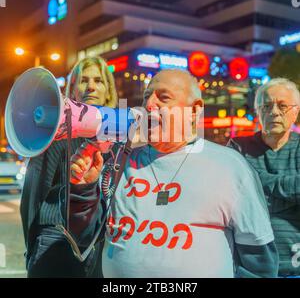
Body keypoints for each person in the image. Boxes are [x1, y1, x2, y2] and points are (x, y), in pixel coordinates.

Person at [69, 69, 278, 278]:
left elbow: (260, 263)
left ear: (194, 110)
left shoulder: (230, 166)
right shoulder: (120, 161)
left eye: (164, 97)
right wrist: (84, 188)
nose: (149, 104)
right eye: (146, 97)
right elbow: (87, 237)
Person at [21, 56, 118, 278]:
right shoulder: (55, 135)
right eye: (83, 80)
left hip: (101, 244)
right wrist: (33, 246)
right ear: (72, 91)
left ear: (109, 92)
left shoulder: (119, 138)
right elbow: (33, 194)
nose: (91, 86)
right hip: (57, 242)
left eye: (98, 80)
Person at [227, 78, 300, 278]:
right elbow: (232, 201)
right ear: (258, 111)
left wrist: (256, 183)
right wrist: (291, 195)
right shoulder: (237, 147)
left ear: (296, 111)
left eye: (283, 106)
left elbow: (250, 199)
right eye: (266, 106)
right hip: (249, 267)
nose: (274, 112)